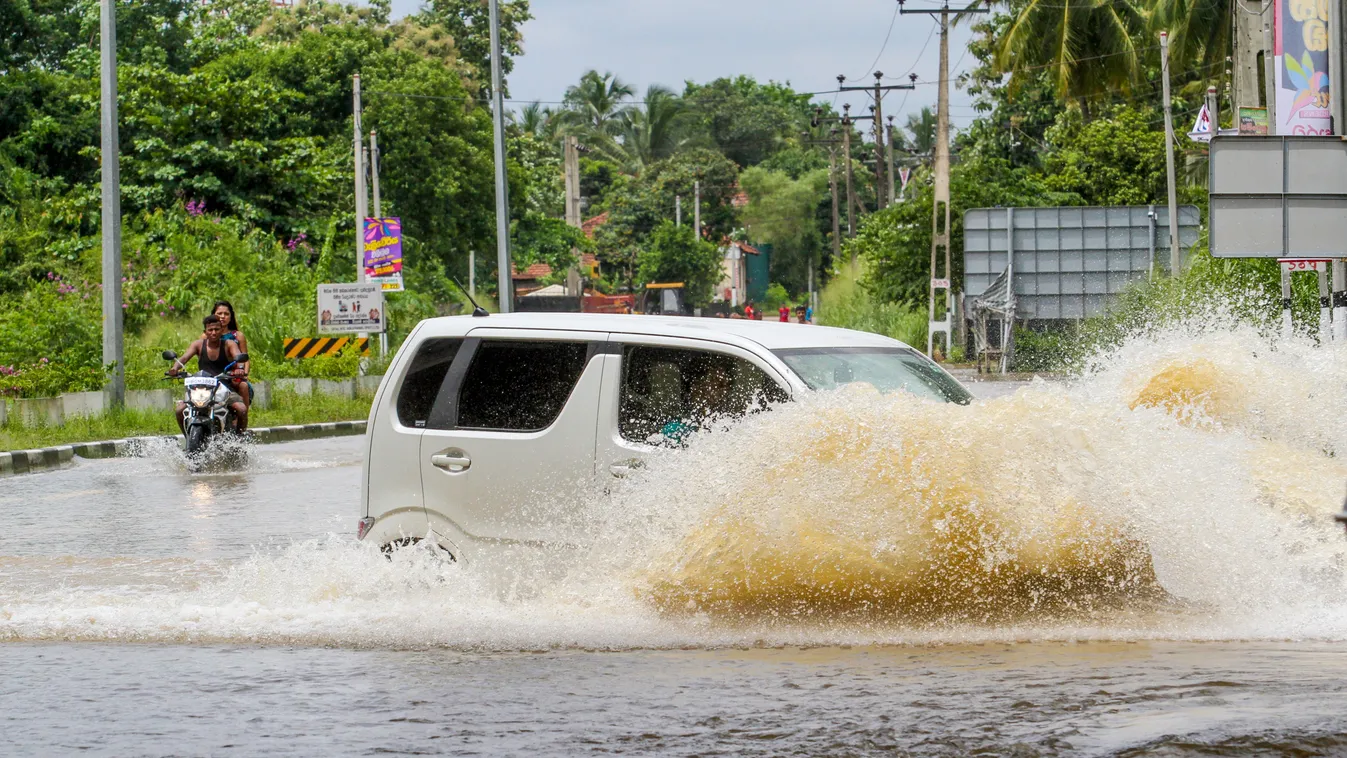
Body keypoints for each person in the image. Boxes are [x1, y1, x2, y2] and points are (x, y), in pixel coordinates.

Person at [172, 315, 248, 433]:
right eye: (210, 330)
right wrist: (175, 368)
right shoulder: (198, 344)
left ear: (222, 330)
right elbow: (184, 358)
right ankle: (188, 438)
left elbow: (238, 356)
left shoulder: (229, 344)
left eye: (217, 329)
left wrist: (240, 368)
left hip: (224, 387)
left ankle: (240, 439)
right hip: (202, 387)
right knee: (179, 410)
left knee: (241, 409)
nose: (213, 332)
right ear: (205, 332)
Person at [207, 301, 252, 407]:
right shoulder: (205, 336)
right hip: (212, 377)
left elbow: (245, 359)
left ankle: (243, 418)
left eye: (226, 314)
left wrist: (243, 374)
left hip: (233, 376)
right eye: (219, 313)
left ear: (231, 317)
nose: (222, 317)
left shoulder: (238, 335)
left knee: (243, 386)